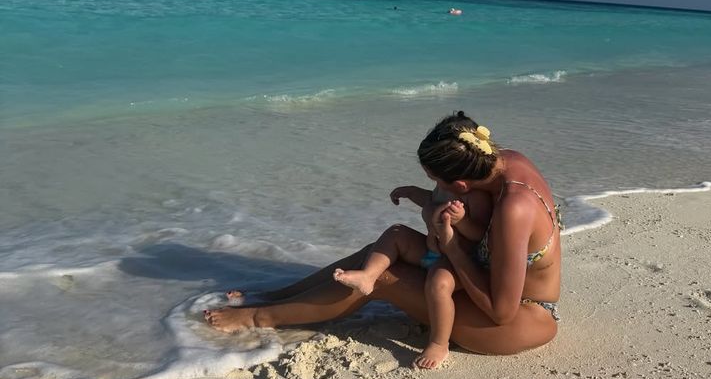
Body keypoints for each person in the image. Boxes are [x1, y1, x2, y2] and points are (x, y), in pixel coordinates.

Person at [205, 112, 562, 359]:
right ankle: (277, 297)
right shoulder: (501, 159)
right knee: (377, 254)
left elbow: (501, 310)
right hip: (486, 286)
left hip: (518, 320)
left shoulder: (515, 207)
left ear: (462, 185)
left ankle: (259, 318)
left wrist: (450, 243)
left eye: (437, 182)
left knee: (386, 279)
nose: (434, 189)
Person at [332, 175, 493, 368]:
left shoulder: (476, 196)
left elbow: (482, 234)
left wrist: (462, 221)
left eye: (438, 176)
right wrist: (411, 192)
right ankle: (368, 275)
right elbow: (431, 199)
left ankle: (439, 343)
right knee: (396, 232)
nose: (435, 181)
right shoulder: (444, 184)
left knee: (438, 284)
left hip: (457, 259)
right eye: (433, 176)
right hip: (431, 251)